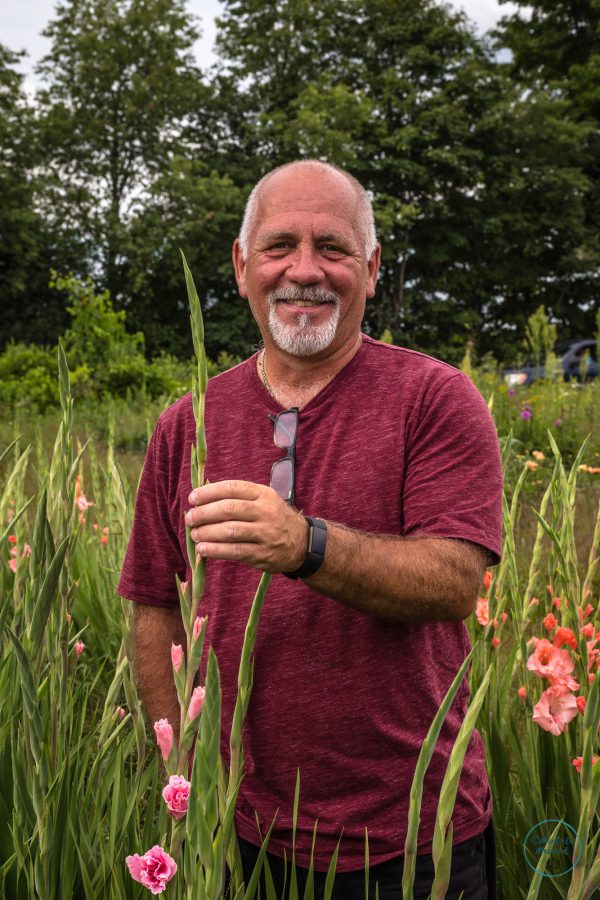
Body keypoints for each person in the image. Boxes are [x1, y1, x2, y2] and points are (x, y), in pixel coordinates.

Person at [118, 160, 503, 899]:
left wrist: (306, 545)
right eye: (278, 247)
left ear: (371, 266)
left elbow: (457, 580)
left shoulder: (435, 398)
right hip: (237, 828)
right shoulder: (188, 422)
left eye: (332, 247)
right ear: (240, 267)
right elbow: (154, 606)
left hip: (412, 839)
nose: (304, 270)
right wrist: (176, 764)